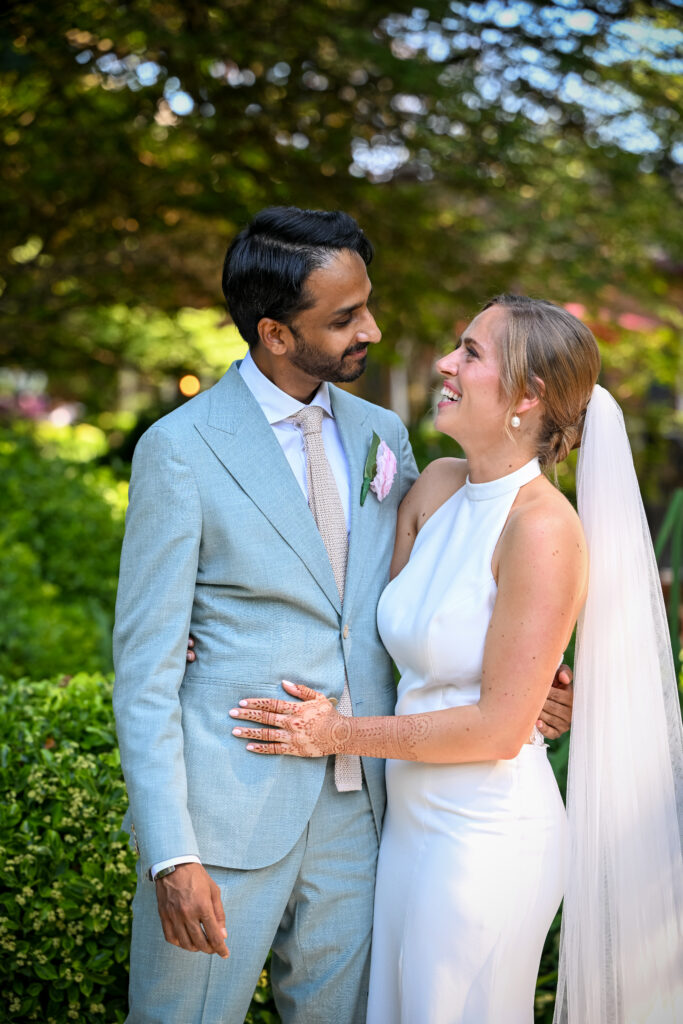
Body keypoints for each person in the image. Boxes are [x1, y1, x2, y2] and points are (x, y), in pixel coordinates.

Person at [113, 211, 573, 1024]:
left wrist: (530, 687)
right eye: (343, 318)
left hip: (370, 822)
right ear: (275, 333)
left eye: (366, 304)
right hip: (224, 820)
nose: (373, 328)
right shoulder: (178, 449)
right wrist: (170, 852)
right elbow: (143, 671)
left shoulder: (384, 436)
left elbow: (435, 591)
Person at [231, 295, 683, 1023]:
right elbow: (348, 619)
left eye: (470, 353)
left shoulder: (542, 530)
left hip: (485, 839)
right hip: (407, 829)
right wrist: (213, 627)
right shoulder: (438, 485)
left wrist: (336, 734)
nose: (446, 362)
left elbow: (497, 731)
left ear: (526, 396)